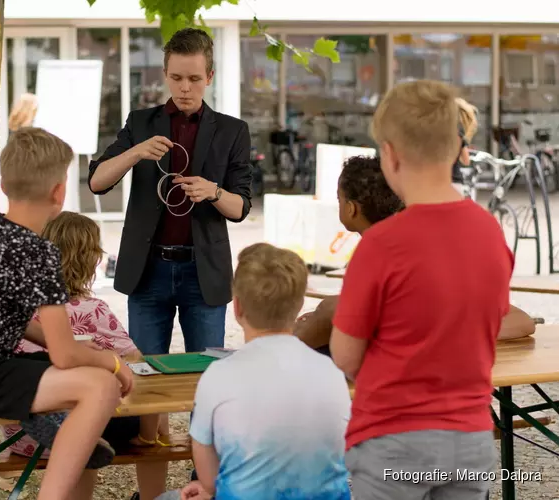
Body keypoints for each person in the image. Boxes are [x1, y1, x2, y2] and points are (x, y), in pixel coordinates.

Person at [0, 127, 135, 500]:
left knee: (83, 383)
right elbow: (65, 354)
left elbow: (8, 318)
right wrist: (114, 363)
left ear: (4, 185)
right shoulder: (38, 253)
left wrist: (75, 352)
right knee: (100, 385)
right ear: (59, 191)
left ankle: (57, 428)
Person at [330, 80, 513, 499]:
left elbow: (345, 355)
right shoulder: (489, 232)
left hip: (392, 439)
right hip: (471, 438)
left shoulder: (380, 244)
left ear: (390, 155)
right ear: (455, 148)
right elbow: (487, 322)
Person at [87, 28, 252, 359]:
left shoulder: (233, 130)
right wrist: (136, 152)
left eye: (194, 78)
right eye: (176, 77)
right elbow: (97, 182)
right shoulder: (141, 122)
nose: (184, 87)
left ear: (210, 77)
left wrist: (213, 192)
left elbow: (241, 208)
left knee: (205, 374)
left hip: (203, 270)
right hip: (147, 269)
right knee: (144, 374)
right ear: (165, 75)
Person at [161, 243, 350, 500]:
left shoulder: (219, 375)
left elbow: (209, 479)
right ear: (299, 306)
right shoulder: (331, 371)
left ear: (237, 308)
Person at [3, 211, 168, 499]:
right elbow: (136, 360)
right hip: (80, 432)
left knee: (81, 416)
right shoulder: (92, 309)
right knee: (155, 413)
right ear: (88, 258)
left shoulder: (15, 307)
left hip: (18, 435)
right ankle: (153, 496)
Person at [294, 155, 535, 351]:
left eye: (339, 199)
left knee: (327, 313)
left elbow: (340, 328)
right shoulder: (436, 247)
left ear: (350, 208)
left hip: (394, 386)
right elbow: (521, 320)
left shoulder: (379, 252)